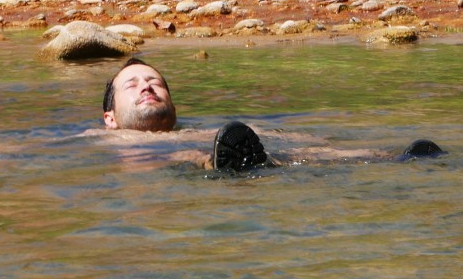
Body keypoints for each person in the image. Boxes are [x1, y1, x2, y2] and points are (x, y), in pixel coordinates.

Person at [102, 57, 445, 172]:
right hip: (196, 163)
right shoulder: (99, 139)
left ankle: (394, 157)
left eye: (155, 83)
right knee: (187, 154)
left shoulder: (195, 129)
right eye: (132, 85)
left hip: (241, 149)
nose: (146, 87)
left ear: (175, 109)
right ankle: (218, 164)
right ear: (110, 118)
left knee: (303, 150)